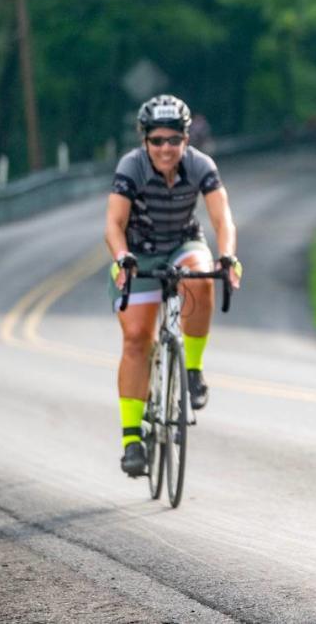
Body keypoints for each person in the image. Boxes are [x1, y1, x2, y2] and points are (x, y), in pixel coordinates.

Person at [105, 94, 242, 477]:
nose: (165, 149)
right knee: (136, 340)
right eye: (157, 140)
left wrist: (227, 256)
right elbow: (114, 224)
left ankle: (193, 372)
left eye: (174, 140)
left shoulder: (200, 166)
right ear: (144, 140)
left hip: (183, 243)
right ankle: (132, 439)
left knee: (201, 277)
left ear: (186, 140)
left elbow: (222, 217)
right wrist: (121, 258)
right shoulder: (131, 167)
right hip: (138, 253)